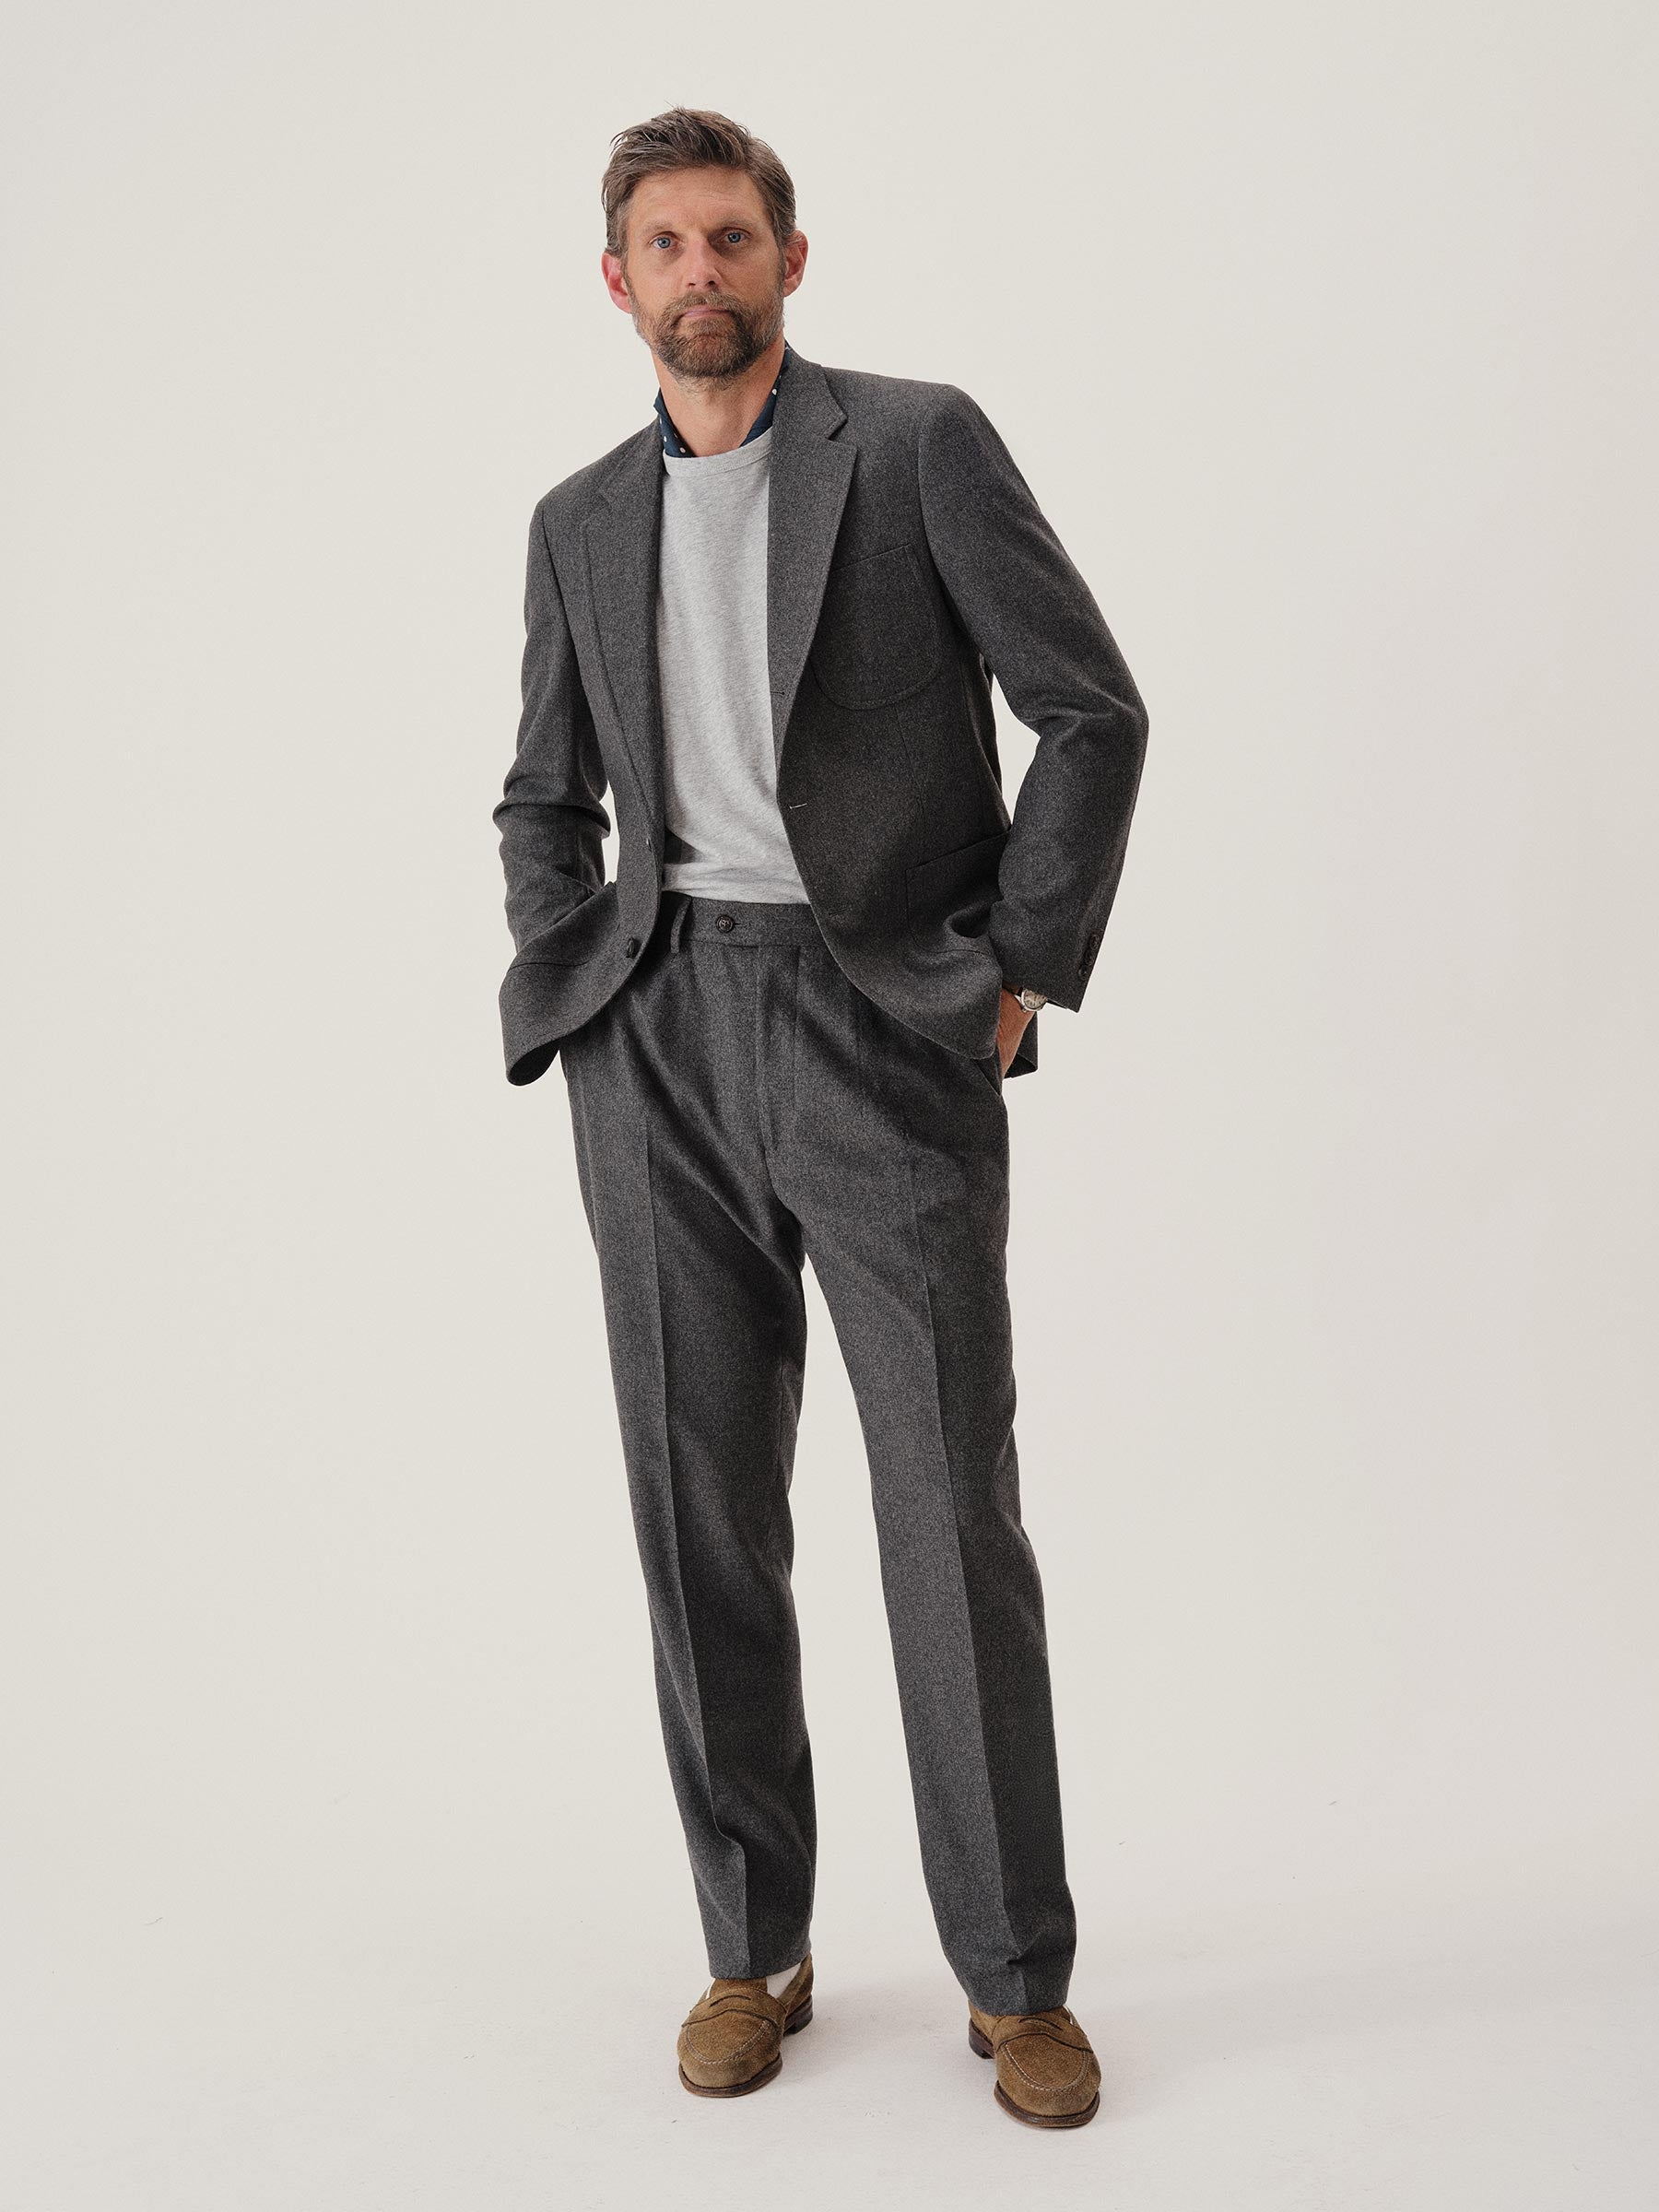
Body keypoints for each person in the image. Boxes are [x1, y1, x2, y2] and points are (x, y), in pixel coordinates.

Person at [491, 105, 1149, 2130]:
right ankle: (750, 1947)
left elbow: (1090, 708)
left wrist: (1016, 967)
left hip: (885, 1022)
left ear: (791, 257)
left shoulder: (919, 446)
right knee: (697, 1507)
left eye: (731, 237)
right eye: (664, 244)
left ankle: (1015, 1980)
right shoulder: (579, 520)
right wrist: (576, 977)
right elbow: (542, 793)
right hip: (656, 1038)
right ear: (617, 283)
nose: (699, 271)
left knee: (947, 1502)